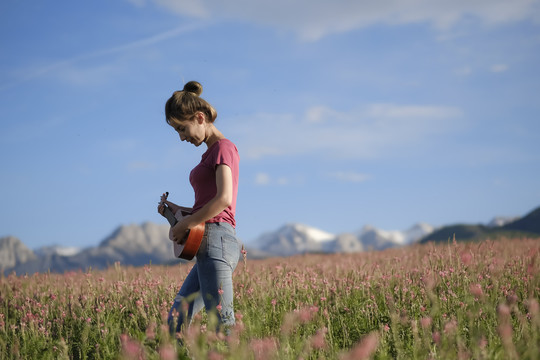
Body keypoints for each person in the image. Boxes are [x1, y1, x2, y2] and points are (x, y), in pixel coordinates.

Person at [158, 80, 241, 335]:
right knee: (175, 323)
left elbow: (224, 199)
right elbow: (207, 204)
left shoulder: (223, 148)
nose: (182, 137)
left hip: (217, 240)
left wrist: (186, 223)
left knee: (222, 325)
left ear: (200, 117)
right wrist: (178, 211)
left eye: (183, 129)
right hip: (208, 240)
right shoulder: (209, 154)